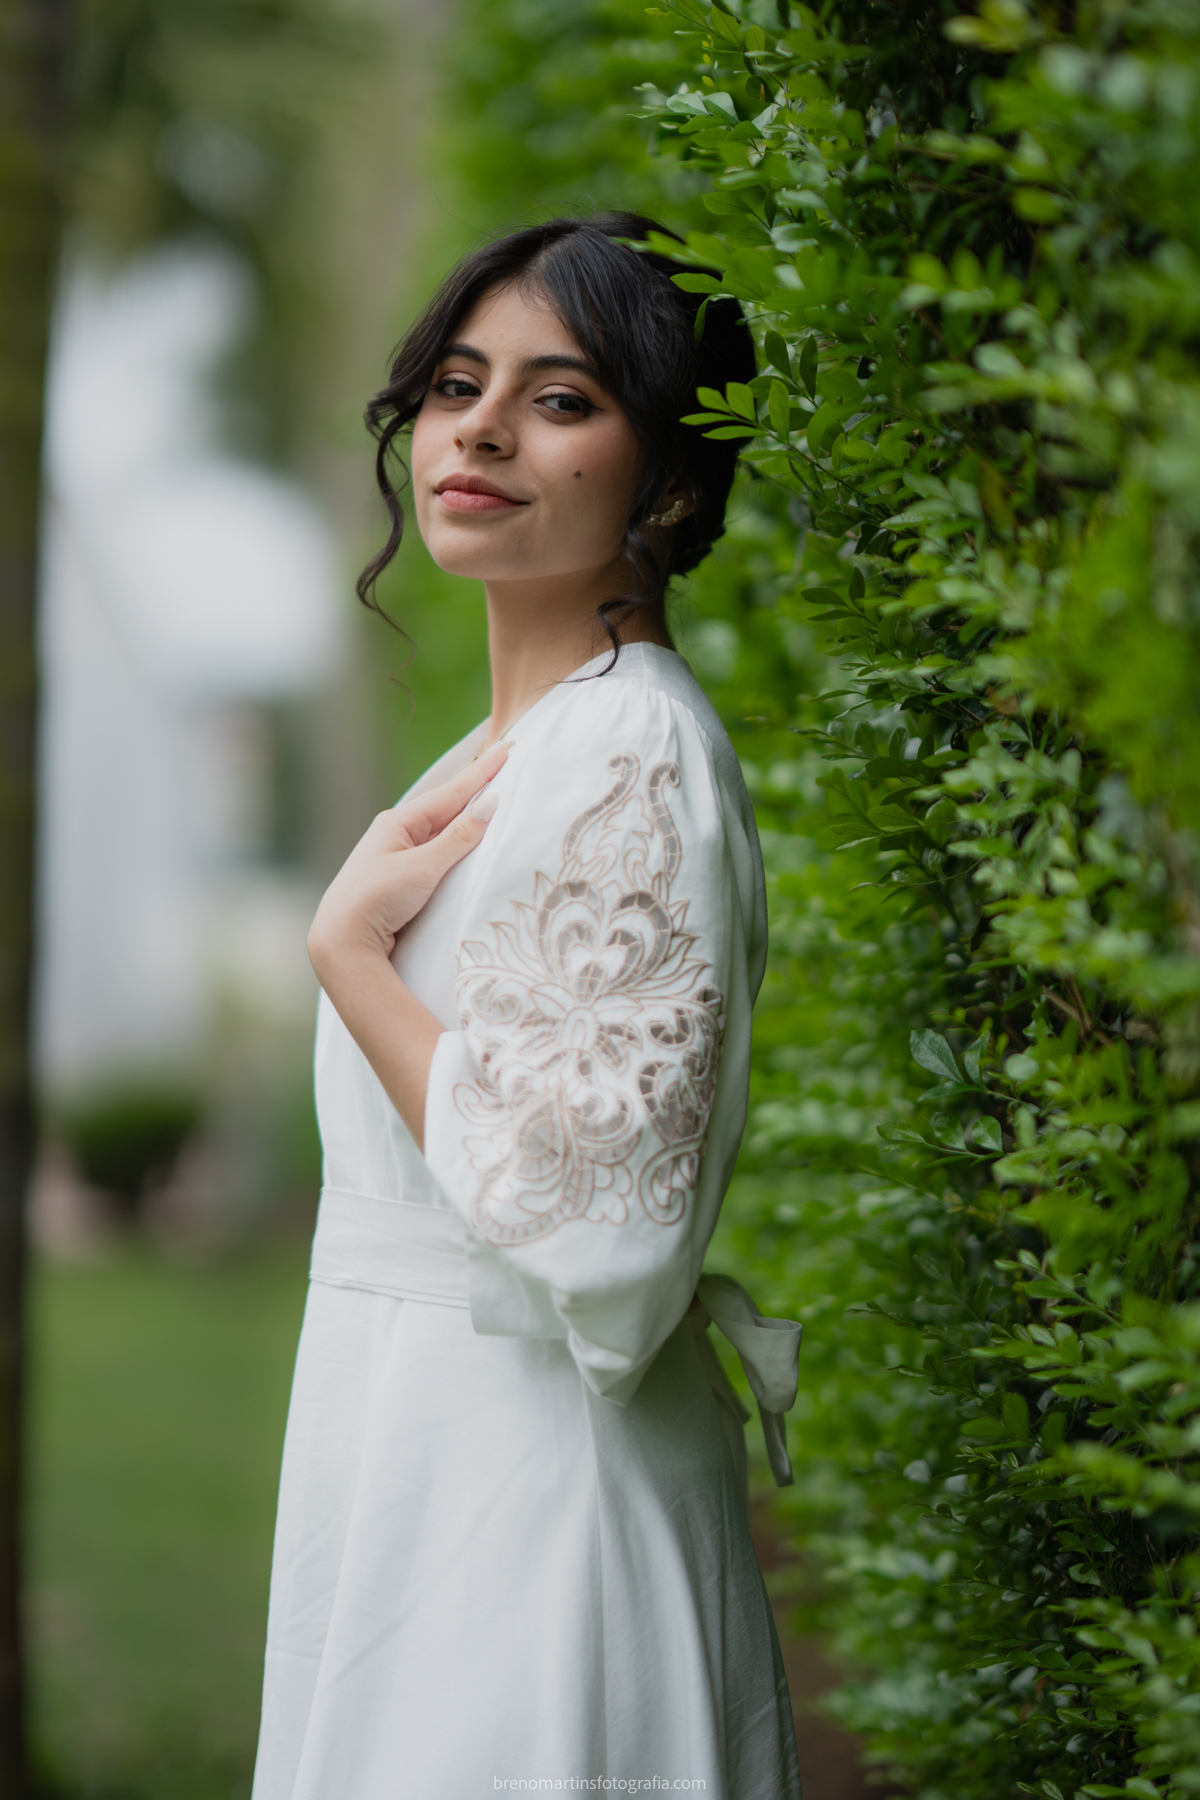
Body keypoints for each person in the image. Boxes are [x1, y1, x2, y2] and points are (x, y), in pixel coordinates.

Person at [251, 214, 804, 1800]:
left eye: (561, 399)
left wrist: (353, 966)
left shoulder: (631, 753)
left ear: (671, 477)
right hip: (415, 1448)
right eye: (456, 384)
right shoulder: (528, 751)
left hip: (529, 1498)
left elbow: (605, 1229)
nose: (480, 428)